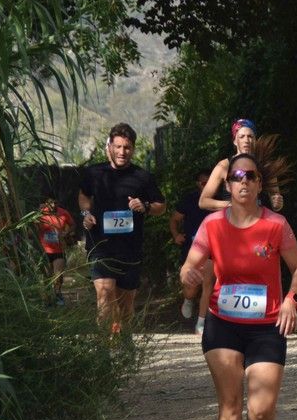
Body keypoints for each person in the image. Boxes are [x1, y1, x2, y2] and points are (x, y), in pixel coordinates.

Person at [180, 149, 297, 420]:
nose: (244, 182)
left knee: (260, 411)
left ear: (260, 184)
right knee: (230, 404)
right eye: (237, 177)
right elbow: (189, 266)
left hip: (267, 326)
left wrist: (290, 301)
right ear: (227, 184)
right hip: (223, 324)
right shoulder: (212, 225)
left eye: (251, 176)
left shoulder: (275, 225)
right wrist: (187, 275)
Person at [193, 119, 285, 335]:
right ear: (234, 140)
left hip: (257, 229)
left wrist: (278, 203)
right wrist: (231, 206)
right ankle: (203, 319)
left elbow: (276, 200)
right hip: (225, 228)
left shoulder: (263, 167)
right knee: (211, 276)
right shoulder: (224, 166)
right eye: (242, 136)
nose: (246, 140)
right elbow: (203, 201)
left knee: (263, 271)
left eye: (250, 136)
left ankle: (267, 318)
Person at [78, 123, 166, 333]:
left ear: (133, 149)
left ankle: (124, 344)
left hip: (129, 249)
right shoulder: (94, 173)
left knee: (126, 305)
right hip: (100, 246)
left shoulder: (142, 177)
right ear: (110, 147)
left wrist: (144, 206)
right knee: (105, 293)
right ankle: (104, 351)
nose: (122, 152)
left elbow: (161, 207)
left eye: (126, 147)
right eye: (117, 147)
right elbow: (83, 196)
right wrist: (86, 214)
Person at [170, 170, 212, 323]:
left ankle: (203, 321)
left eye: (210, 181)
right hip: (191, 249)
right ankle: (188, 300)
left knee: (209, 283)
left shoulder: (221, 200)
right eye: (203, 182)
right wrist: (176, 235)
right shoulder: (189, 200)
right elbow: (174, 219)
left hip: (213, 250)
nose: (207, 185)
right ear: (198, 184)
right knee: (192, 286)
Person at [35, 195, 75, 305]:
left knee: (58, 275)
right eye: (50, 203)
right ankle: (47, 298)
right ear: (46, 203)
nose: (53, 205)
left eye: (55, 203)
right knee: (47, 276)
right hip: (44, 250)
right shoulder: (40, 213)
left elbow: (72, 225)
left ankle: (58, 294)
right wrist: (37, 213)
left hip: (59, 249)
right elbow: (32, 227)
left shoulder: (63, 213)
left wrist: (66, 232)